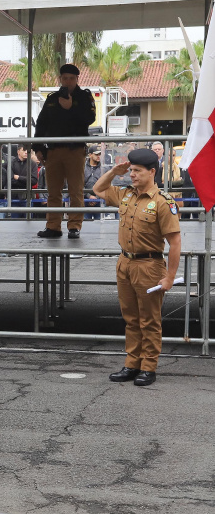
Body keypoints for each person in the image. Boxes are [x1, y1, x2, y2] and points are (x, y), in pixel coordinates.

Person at [93, 149, 181, 387]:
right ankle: (132, 363)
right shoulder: (126, 194)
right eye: (130, 170)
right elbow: (98, 189)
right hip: (125, 262)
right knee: (131, 319)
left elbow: (175, 243)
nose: (131, 174)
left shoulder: (163, 202)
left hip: (149, 265)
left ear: (152, 172)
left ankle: (148, 367)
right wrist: (114, 171)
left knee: (149, 321)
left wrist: (170, 277)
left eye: (137, 171)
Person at [34, 63, 96, 239]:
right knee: (53, 191)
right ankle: (53, 226)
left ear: (77, 79)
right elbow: (41, 124)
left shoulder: (84, 97)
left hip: (75, 150)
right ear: (60, 79)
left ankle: (74, 226)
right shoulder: (52, 98)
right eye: (65, 78)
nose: (68, 81)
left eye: (71, 78)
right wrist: (37, 147)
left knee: (75, 190)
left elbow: (89, 118)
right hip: (53, 150)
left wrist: (71, 108)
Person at [83, 145, 107, 221]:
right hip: (85, 201)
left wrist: (96, 197)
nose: (98, 156)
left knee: (101, 224)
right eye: (96, 154)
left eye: (100, 154)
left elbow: (106, 185)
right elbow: (79, 185)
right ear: (90, 155)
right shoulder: (82, 168)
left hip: (100, 201)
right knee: (85, 225)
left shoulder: (104, 168)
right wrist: (89, 196)